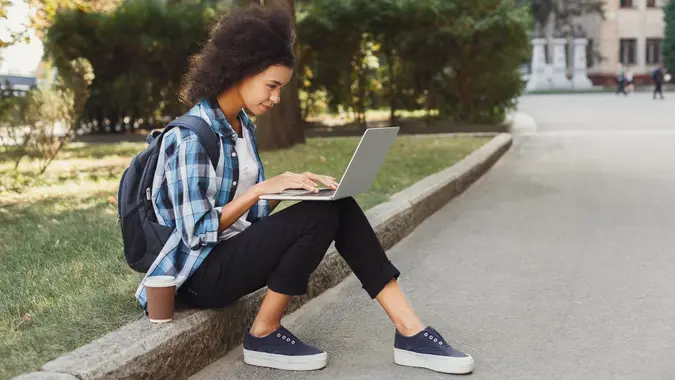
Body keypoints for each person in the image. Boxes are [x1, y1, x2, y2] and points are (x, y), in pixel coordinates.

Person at [134, 4, 474, 375]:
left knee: (336, 205)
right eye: (272, 85)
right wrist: (263, 188)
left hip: (228, 256)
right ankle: (264, 333)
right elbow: (197, 232)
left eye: (281, 88)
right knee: (321, 215)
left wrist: (292, 189)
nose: (276, 98)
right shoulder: (190, 137)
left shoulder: (242, 127)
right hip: (196, 277)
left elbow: (252, 219)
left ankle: (411, 330)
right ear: (239, 71)